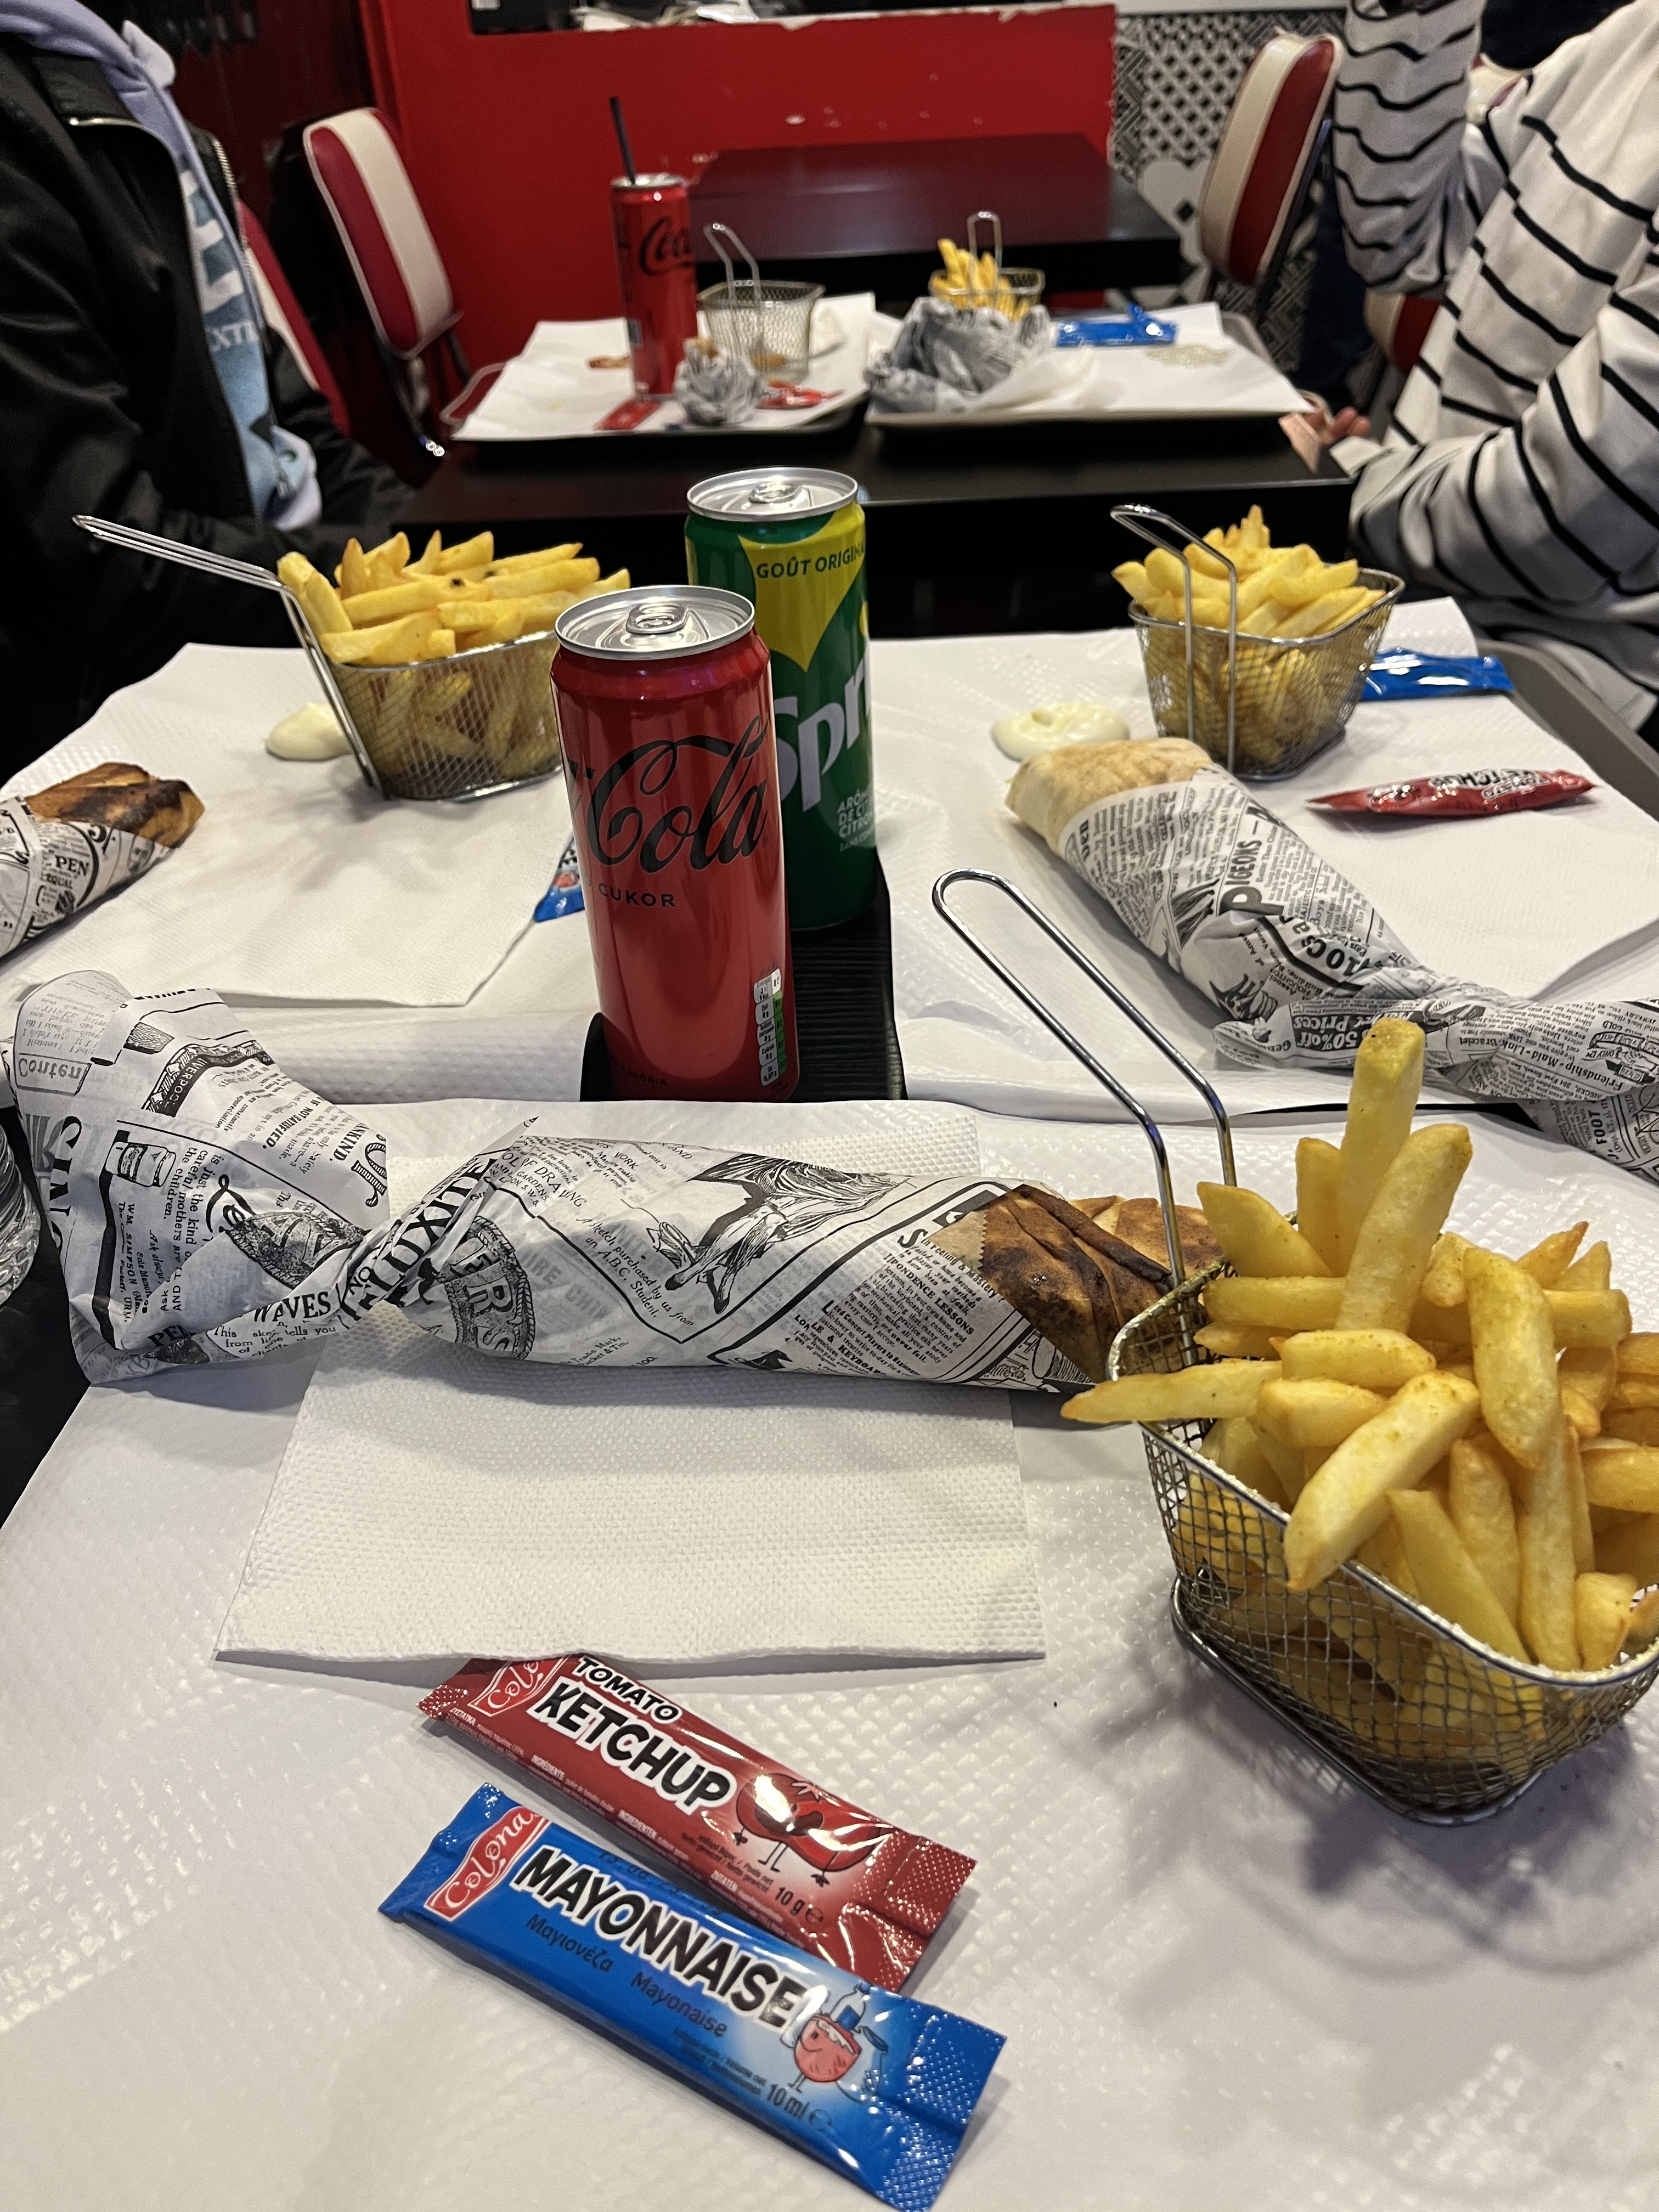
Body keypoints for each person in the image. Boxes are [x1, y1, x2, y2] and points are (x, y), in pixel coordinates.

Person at [0, 0, 408, 770]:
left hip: (269, 615)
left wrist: (412, 541)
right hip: (143, 714)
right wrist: (380, 576)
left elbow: (286, 417)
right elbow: (113, 559)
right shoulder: (23, 139)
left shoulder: (134, 90)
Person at [1318, 0, 1659, 736]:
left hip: (1564, 679)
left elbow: (1556, 523)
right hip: (1409, 591)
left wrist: (1338, 478)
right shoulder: (1629, 40)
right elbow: (1397, 239)